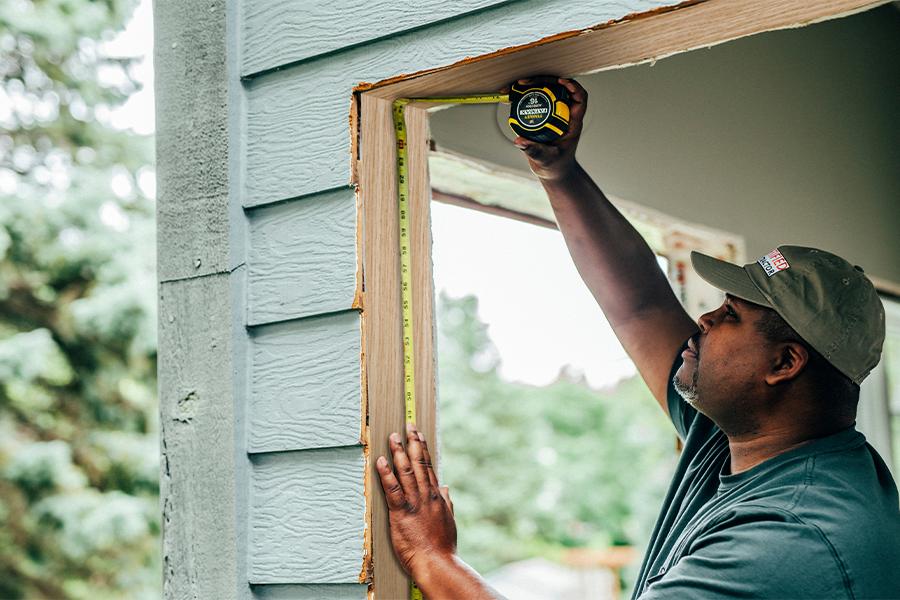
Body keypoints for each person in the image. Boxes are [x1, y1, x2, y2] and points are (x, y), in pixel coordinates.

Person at [375, 78, 900, 599]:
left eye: (731, 315)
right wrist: (558, 171)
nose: (704, 320)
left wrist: (431, 558)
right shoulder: (745, 440)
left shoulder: (789, 537)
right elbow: (641, 304)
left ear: (785, 363)